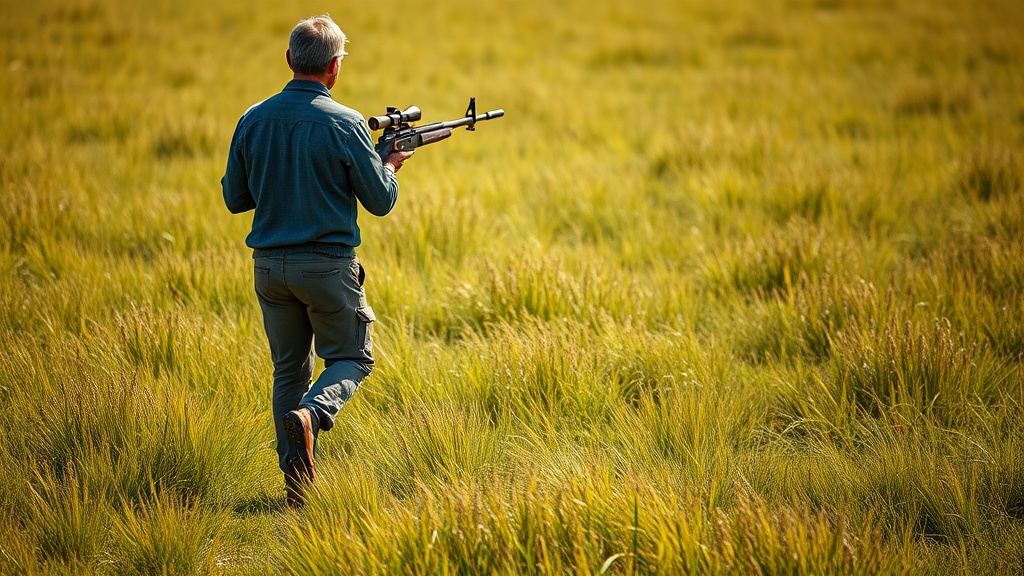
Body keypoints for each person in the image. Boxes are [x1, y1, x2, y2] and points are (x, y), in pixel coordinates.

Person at [221, 14, 413, 507]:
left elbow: (235, 199)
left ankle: (296, 490)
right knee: (352, 357)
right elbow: (380, 201)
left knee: (288, 371)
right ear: (334, 67)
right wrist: (388, 163)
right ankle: (314, 414)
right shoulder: (346, 123)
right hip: (327, 267)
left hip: (269, 269)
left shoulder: (252, 118)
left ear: (290, 60)